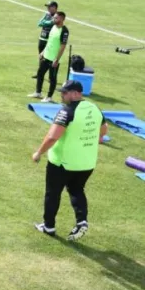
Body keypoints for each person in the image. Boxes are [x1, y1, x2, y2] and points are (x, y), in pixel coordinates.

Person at [32, 80, 106, 241]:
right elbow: (103, 131)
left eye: (64, 93)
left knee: (53, 193)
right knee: (77, 190)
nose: (62, 95)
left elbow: (52, 137)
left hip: (62, 163)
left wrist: (39, 152)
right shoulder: (95, 108)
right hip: (86, 163)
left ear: (76, 93)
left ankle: (49, 226)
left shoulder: (67, 111)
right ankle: (82, 221)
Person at [30, 11, 69, 103]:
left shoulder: (64, 31)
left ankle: (49, 97)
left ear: (62, 19)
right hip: (46, 56)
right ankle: (38, 92)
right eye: (54, 17)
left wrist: (57, 59)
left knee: (52, 78)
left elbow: (63, 46)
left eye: (56, 18)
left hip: (54, 59)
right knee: (40, 73)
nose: (53, 19)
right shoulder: (53, 27)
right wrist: (43, 52)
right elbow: (49, 41)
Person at [33, 1, 59, 78]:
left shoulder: (58, 16)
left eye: (49, 6)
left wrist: (46, 22)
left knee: (50, 58)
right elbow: (40, 23)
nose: (47, 8)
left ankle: (51, 77)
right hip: (42, 39)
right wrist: (50, 22)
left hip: (50, 41)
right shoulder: (47, 14)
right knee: (41, 57)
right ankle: (40, 74)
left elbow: (55, 23)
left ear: (54, 7)